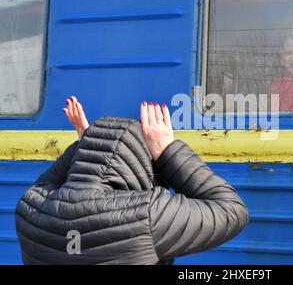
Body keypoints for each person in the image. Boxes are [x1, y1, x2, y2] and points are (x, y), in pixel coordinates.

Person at [15, 97, 249, 265]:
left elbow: (47, 183)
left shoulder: (31, 210)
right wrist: (167, 151)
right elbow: (231, 211)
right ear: (142, 163)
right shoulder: (147, 214)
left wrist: (87, 144)